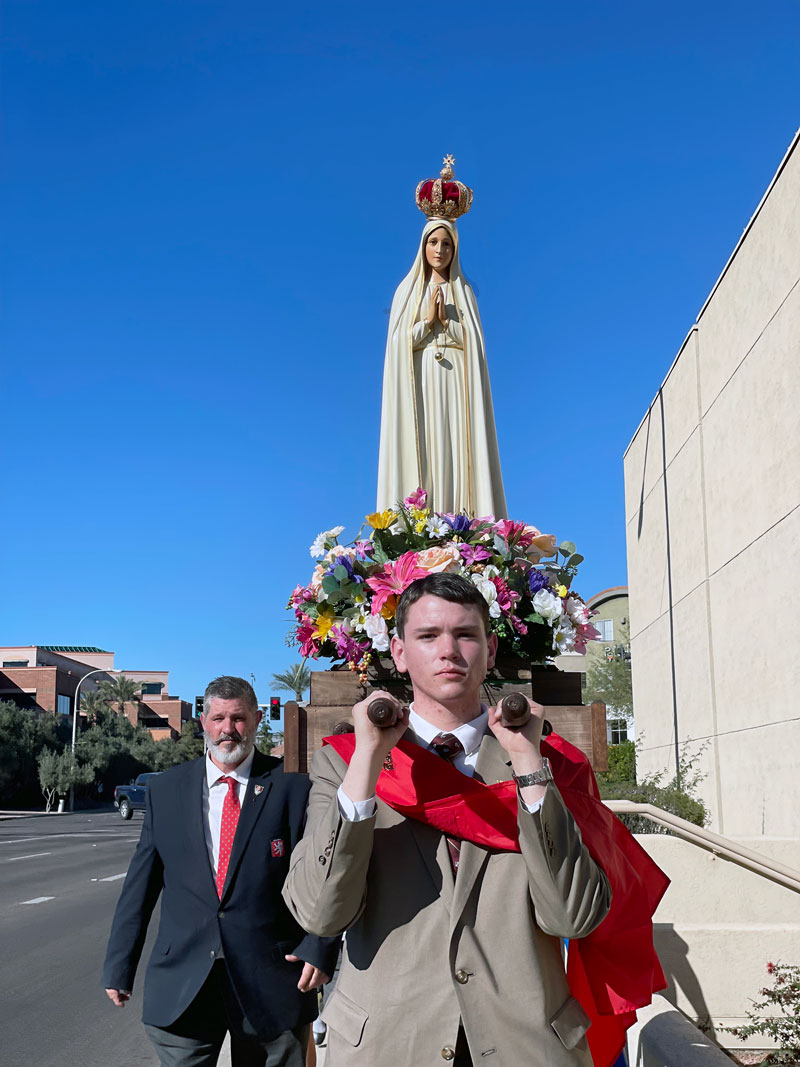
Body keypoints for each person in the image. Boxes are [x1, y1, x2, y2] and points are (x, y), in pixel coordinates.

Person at [282, 573, 614, 1065]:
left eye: (465, 634)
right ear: (398, 652)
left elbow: (573, 917)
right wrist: (367, 764)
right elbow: (320, 913)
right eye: (428, 635)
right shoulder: (345, 763)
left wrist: (528, 765)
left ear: (490, 649)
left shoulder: (550, 764)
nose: (449, 651)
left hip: (525, 1044)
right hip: (388, 1045)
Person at [103, 675, 339, 1067]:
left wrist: (321, 944)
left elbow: (324, 875)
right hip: (184, 987)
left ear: (257, 720)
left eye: (238, 718)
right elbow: (140, 886)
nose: (228, 729)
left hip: (272, 985)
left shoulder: (293, 788)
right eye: (218, 718)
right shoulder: (167, 790)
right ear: (203, 722)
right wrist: (119, 964)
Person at [376, 217, 507, 518]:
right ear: (422, 246)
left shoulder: (463, 292)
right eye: (433, 242)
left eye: (447, 244)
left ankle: (459, 517)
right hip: (420, 378)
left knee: (454, 448)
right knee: (425, 448)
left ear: (455, 249)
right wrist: (426, 323)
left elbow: (475, 345)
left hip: (457, 379)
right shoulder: (407, 291)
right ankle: (421, 520)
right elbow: (397, 346)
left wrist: (447, 323)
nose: (440, 250)